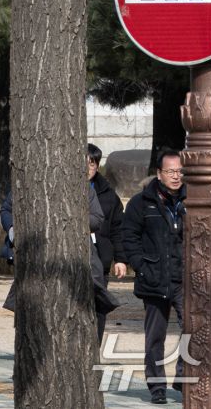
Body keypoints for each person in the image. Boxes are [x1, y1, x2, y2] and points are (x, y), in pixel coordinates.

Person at [122, 148, 186, 405]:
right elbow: (129, 237)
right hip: (153, 278)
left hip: (183, 279)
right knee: (155, 337)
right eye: (170, 171)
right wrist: (141, 266)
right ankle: (157, 387)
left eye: (180, 171)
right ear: (159, 173)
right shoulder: (141, 202)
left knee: (194, 329)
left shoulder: (191, 200)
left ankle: (183, 377)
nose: (176, 176)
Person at [88, 143, 127, 341]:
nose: (87, 168)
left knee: (99, 307)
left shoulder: (109, 195)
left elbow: (118, 229)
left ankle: (94, 347)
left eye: (92, 164)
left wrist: (120, 259)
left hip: (99, 258)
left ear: (97, 166)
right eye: (83, 163)